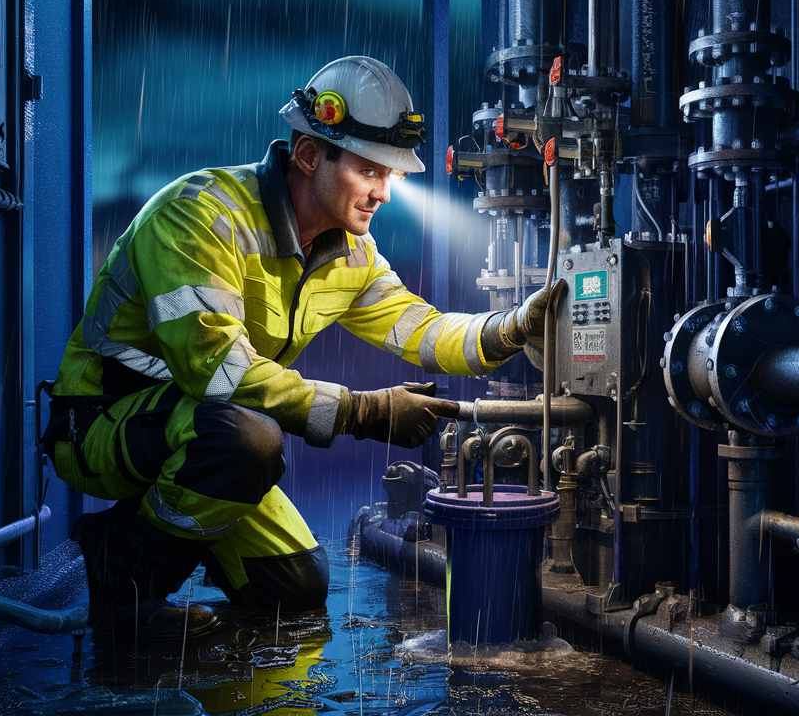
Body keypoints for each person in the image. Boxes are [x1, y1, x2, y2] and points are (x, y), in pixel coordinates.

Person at [42, 56, 549, 639]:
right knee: (246, 441)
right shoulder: (200, 217)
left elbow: (422, 330)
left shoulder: (349, 252)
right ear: (310, 155)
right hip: (101, 423)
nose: (384, 192)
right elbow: (219, 372)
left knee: (298, 586)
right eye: (369, 169)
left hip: (201, 428)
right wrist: (366, 411)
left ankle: (175, 540)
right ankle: (123, 581)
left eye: (391, 174)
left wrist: (513, 327)